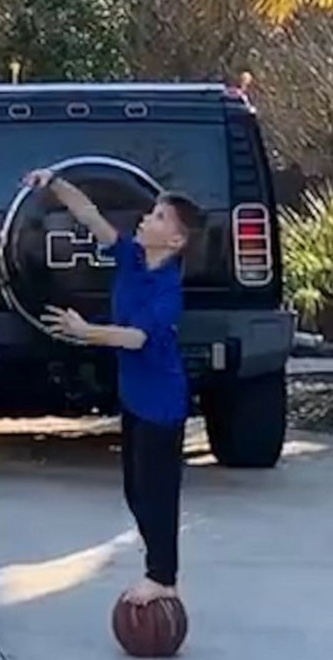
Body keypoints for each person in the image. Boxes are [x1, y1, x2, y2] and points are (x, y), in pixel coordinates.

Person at [21, 168, 203, 606]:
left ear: (176, 241)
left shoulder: (167, 291)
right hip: (135, 398)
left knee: (158, 496)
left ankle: (163, 577)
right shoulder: (131, 258)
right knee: (135, 491)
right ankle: (156, 566)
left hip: (162, 404)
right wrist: (55, 182)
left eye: (159, 217)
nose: (146, 219)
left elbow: (135, 338)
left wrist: (85, 331)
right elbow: (89, 214)